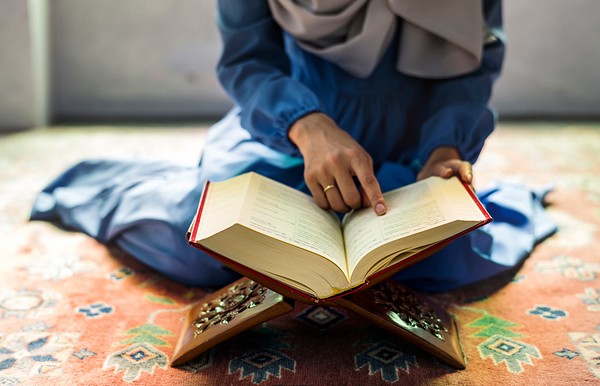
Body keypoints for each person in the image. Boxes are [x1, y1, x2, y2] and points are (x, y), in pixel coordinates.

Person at [30, 0, 556, 292]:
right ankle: (110, 186)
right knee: (212, 245)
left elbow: (474, 64)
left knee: (426, 260)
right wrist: (306, 125)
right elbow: (246, 62)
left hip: (410, 148)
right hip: (286, 135)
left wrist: (445, 149)